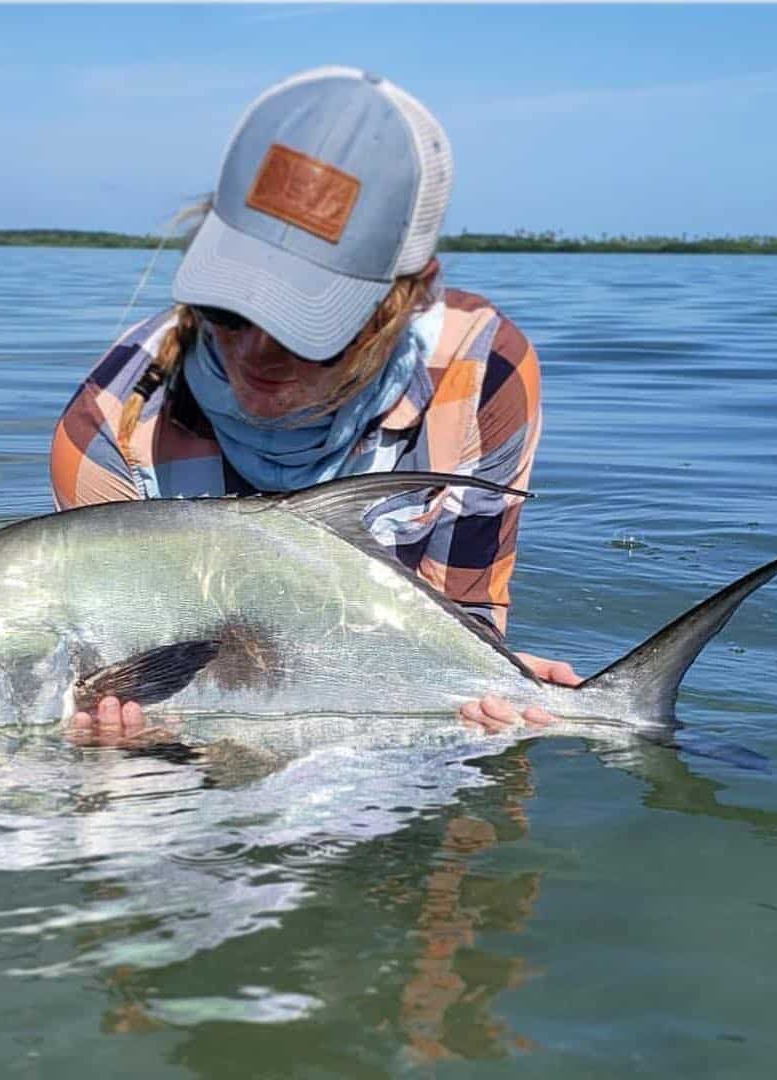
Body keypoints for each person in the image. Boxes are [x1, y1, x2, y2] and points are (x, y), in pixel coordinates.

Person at [50, 66, 580, 743]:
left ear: (411, 296)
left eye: (309, 329)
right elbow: (126, 664)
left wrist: (491, 681)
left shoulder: (482, 375)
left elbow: (465, 618)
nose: (255, 355)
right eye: (229, 308)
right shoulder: (109, 422)